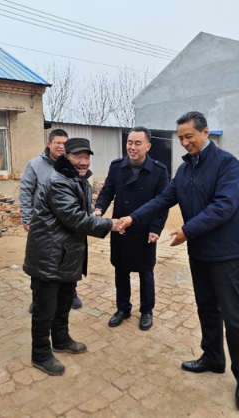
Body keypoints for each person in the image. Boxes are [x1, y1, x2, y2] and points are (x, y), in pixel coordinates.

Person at [119, 111, 239, 410]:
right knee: (206, 308)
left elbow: (224, 206)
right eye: (180, 138)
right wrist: (133, 218)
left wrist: (186, 230)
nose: (184, 142)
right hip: (200, 252)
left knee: (233, 315)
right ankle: (213, 358)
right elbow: (162, 200)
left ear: (205, 132)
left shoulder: (226, 164)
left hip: (225, 253)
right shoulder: (184, 170)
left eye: (189, 136)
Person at [23, 138, 123, 376]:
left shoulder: (79, 181)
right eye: (78, 156)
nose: (84, 162)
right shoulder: (59, 181)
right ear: (66, 157)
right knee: (45, 308)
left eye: (87, 157)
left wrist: (93, 215)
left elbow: (81, 214)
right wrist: (110, 224)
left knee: (64, 301)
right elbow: (74, 218)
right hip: (49, 256)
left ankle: (61, 339)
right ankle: (40, 354)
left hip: (66, 254)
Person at [94, 126, 168, 331]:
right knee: (121, 269)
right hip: (120, 227)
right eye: (129, 142)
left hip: (144, 229)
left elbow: (162, 203)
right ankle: (123, 308)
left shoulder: (159, 171)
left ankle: (147, 311)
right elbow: (107, 192)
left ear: (148, 146)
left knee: (146, 271)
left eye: (137, 143)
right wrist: (99, 208)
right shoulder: (117, 166)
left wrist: (156, 228)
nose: (132, 147)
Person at [19, 129, 83, 311]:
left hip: (67, 223)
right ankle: (38, 298)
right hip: (43, 225)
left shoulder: (72, 164)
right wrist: (27, 218)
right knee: (41, 261)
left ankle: (71, 293)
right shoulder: (35, 165)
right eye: (58, 143)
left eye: (65, 143)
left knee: (69, 258)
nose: (62, 147)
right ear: (49, 144)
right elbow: (26, 192)